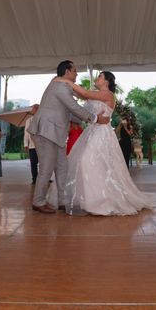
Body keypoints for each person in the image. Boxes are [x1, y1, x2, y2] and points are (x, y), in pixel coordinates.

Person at [58, 71, 153, 215]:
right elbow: (82, 95)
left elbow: (84, 93)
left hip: (101, 134)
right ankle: (89, 199)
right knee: (87, 163)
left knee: (87, 162)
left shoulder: (108, 94)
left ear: (106, 81)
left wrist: (64, 81)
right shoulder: (96, 94)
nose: (97, 78)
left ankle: (101, 200)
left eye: (100, 76)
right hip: (91, 132)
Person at [26, 60, 109, 214]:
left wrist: (91, 120)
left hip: (56, 134)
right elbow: (73, 107)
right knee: (46, 168)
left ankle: (63, 201)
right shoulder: (59, 87)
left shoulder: (62, 87)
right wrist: (95, 119)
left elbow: (70, 113)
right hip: (46, 131)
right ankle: (38, 202)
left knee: (63, 168)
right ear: (67, 72)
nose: (77, 73)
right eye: (75, 70)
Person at [23, 104, 39, 185]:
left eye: (35, 108)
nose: (34, 110)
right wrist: (26, 144)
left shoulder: (43, 119)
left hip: (43, 146)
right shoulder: (28, 121)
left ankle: (45, 178)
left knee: (44, 164)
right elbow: (26, 133)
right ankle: (35, 178)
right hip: (32, 145)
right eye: (34, 109)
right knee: (33, 163)